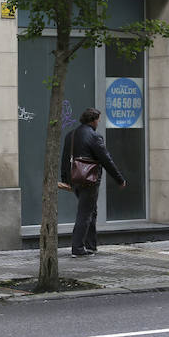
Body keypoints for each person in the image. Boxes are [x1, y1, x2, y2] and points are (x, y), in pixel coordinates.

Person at [60, 107, 126, 257]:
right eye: (98, 120)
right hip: (89, 180)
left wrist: (66, 179)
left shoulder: (71, 134)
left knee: (91, 211)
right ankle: (77, 248)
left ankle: (90, 246)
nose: (98, 123)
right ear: (93, 120)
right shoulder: (94, 137)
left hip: (75, 179)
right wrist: (119, 179)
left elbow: (65, 159)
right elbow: (106, 160)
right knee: (85, 213)